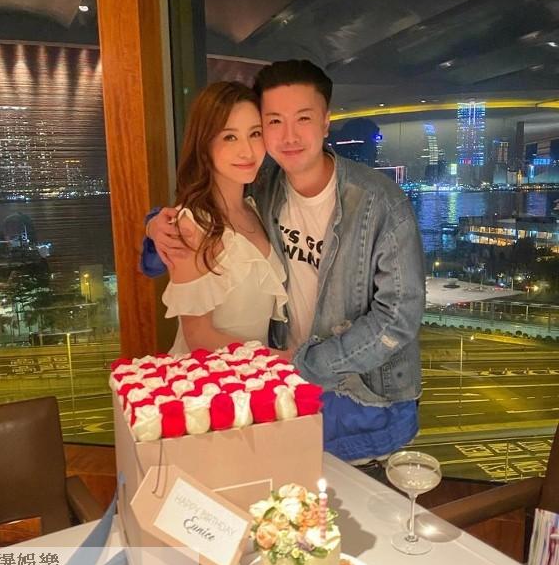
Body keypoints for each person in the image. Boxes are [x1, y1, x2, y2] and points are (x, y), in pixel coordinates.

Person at [143, 60, 426, 464]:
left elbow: (397, 318)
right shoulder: (265, 190)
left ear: (326, 122)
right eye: (274, 121)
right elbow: (201, 220)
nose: (288, 136)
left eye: (303, 119)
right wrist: (157, 223)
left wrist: (298, 365)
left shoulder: (379, 203)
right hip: (264, 394)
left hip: (355, 399)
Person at [156, 80, 289, 356]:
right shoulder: (192, 225)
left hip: (255, 374)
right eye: (230, 137)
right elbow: (198, 336)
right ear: (204, 143)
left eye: (255, 134)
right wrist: (285, 359)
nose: (247, 151)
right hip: (208, 376)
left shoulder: (256, 209)